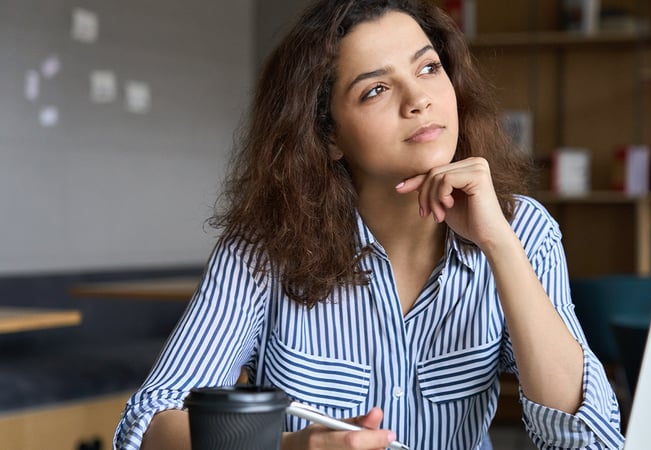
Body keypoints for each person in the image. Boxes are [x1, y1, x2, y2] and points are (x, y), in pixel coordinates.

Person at [114, 0, 624, 449]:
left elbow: (589, 440)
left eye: (427, 69)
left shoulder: (523, 230)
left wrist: (499, 245)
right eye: (376, 89)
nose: (418, 99)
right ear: (328, 136)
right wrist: (285, 449)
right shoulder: (263, 250)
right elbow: (148, 427)